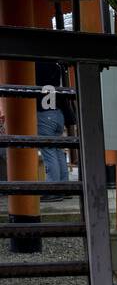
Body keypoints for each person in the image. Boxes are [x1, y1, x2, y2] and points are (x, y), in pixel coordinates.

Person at [35, 60, 70, 192]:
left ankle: (53, 189)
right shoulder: (59, 66)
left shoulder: (39, 64)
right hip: (58, 112)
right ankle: (64, 186)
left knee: (49, 152)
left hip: (44, 112)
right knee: (58, 151)